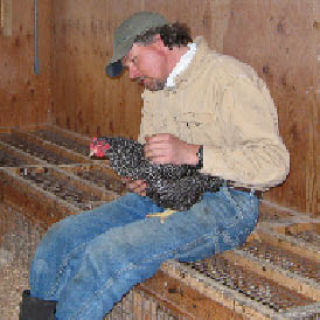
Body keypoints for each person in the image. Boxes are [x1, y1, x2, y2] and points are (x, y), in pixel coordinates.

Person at [19, 11, 290, 320]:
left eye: (133, 61)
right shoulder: (155, 89)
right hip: (168, 196)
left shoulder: (229, 79)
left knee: (108, 253)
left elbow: (275, 163)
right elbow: (153, 156)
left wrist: (194, 154)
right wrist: (142, 179)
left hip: (225, 203)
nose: (132, 74)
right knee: (60, 240)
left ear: (160, 43)